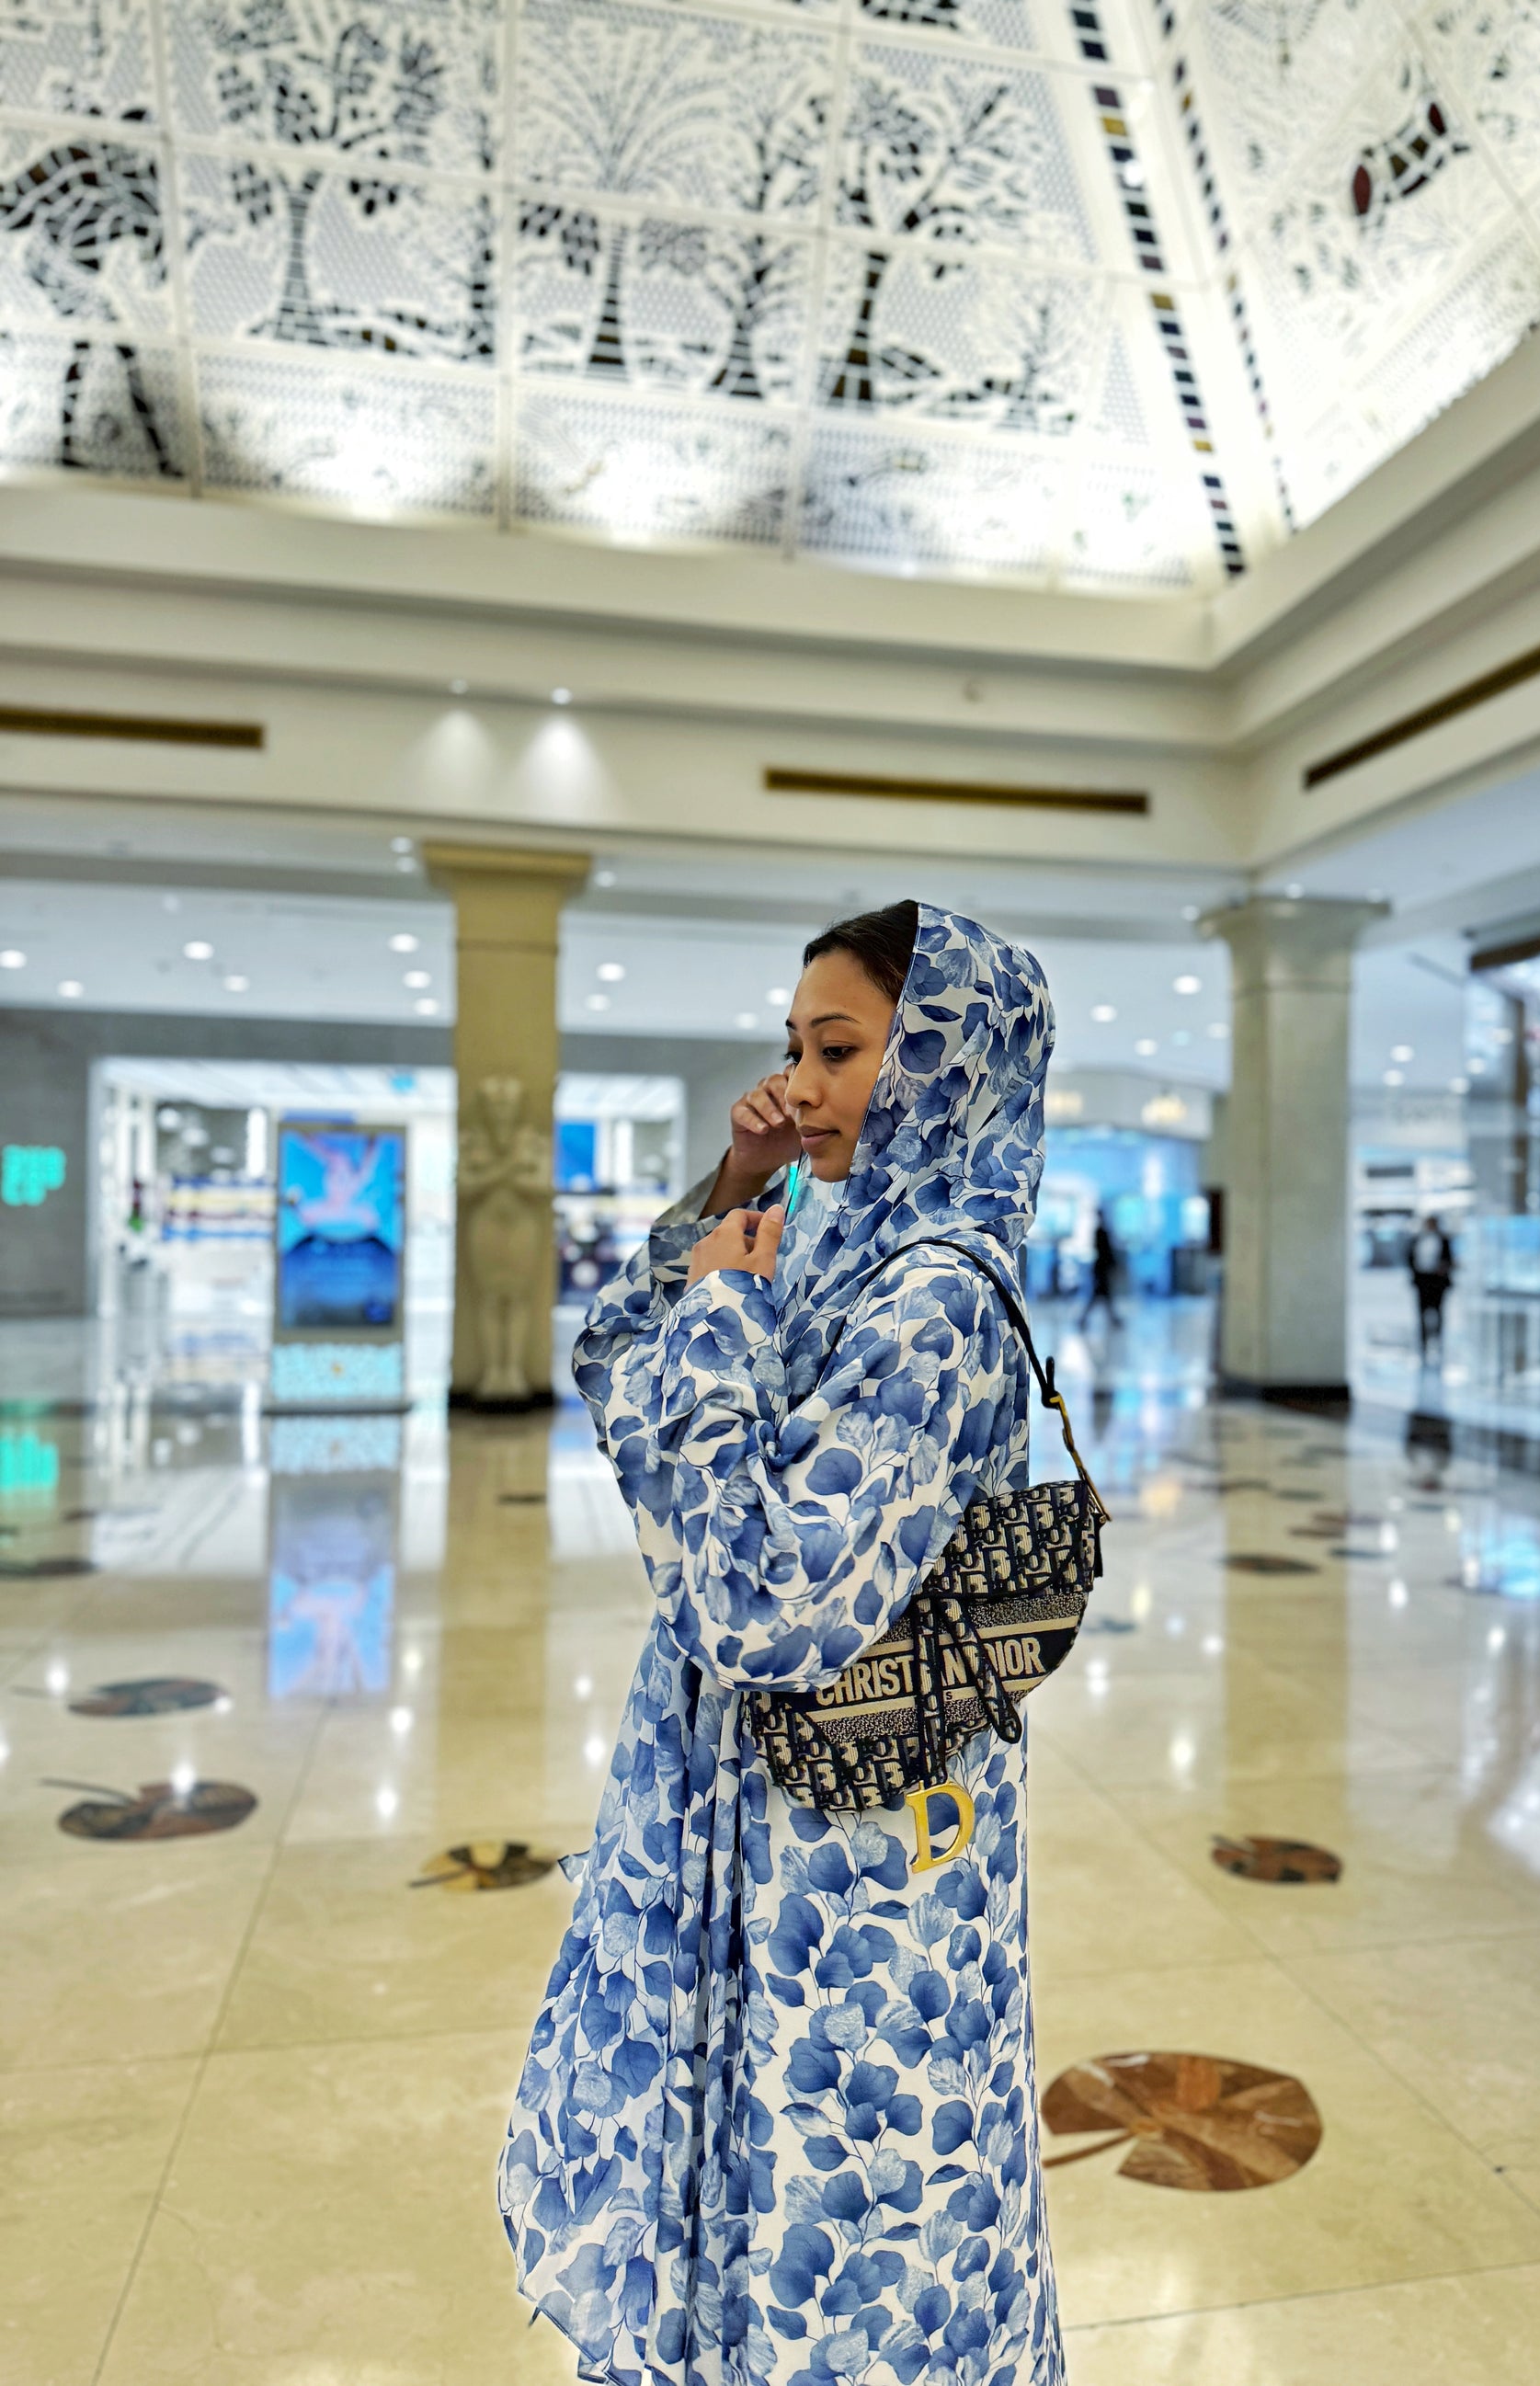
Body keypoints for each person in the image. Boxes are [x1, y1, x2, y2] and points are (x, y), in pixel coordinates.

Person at [501, 901, 1066, 2386]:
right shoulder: (829, 1242)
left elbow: (767, 1599)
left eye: (840, 1050)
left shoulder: (936, 1300)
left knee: (855, 2205)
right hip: (766, 1809)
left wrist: (722, 1318)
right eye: (793, 1050)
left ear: (944, 1062)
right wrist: (732, 1198)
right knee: (748, 2172)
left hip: (853, 1849)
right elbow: (612, 1364)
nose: (799, 1087)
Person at [1408, 1212, 1455, 1364]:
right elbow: (1410, 1258)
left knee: (1438, 1311)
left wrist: (1443, 1268)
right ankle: (1423, 1340)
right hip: (1423, 1280)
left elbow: (1449, 1259)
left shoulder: (1444, 1240)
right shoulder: (1418, 1239)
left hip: (1437, 1281)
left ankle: (1438, 1339)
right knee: (1422, 1312)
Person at [1078, 1206, 1122, 1329]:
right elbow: (1106, 1252)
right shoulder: (1101, 1232)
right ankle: (1084, 1319)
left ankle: (1112, 1319)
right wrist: (1113, 1264)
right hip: (1102, 1269)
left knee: (1103, 1297)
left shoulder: (1101, 1231)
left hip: (1101, 1268)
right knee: (1101, 1296)